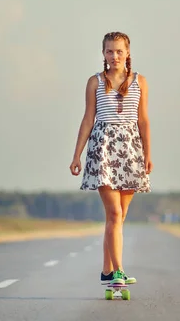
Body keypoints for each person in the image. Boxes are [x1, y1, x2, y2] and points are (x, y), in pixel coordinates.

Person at [69, 31, 152, 287]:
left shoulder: (140, 82)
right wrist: (77, 155)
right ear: (103, 54)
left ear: (127, 53)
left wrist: (148, 155)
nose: (114, 56)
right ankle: (118, 272)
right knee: (114, 214)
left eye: (119, 51)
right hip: (103, 149)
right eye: (109, 51)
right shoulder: (95, 82)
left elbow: (143, 120)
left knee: (119, 216)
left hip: (131, 151)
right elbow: (88, 119)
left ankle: (106, 270)